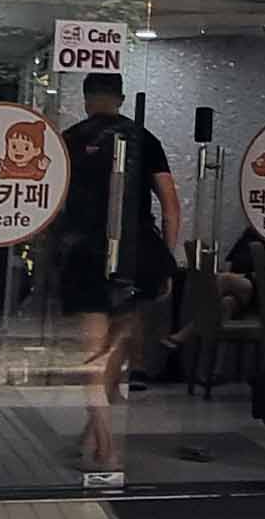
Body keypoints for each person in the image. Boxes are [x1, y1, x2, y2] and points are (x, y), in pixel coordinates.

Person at [55, 73, 181, 489]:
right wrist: (165, 257)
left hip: (84, 253)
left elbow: (52, 201)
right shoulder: (144, 138)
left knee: (94, 352)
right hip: (136, 253)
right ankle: (98, 437)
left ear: (86, 98)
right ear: (121, 98)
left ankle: (103, 443)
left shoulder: (70, 140)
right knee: (115, 350)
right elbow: (170, 205)